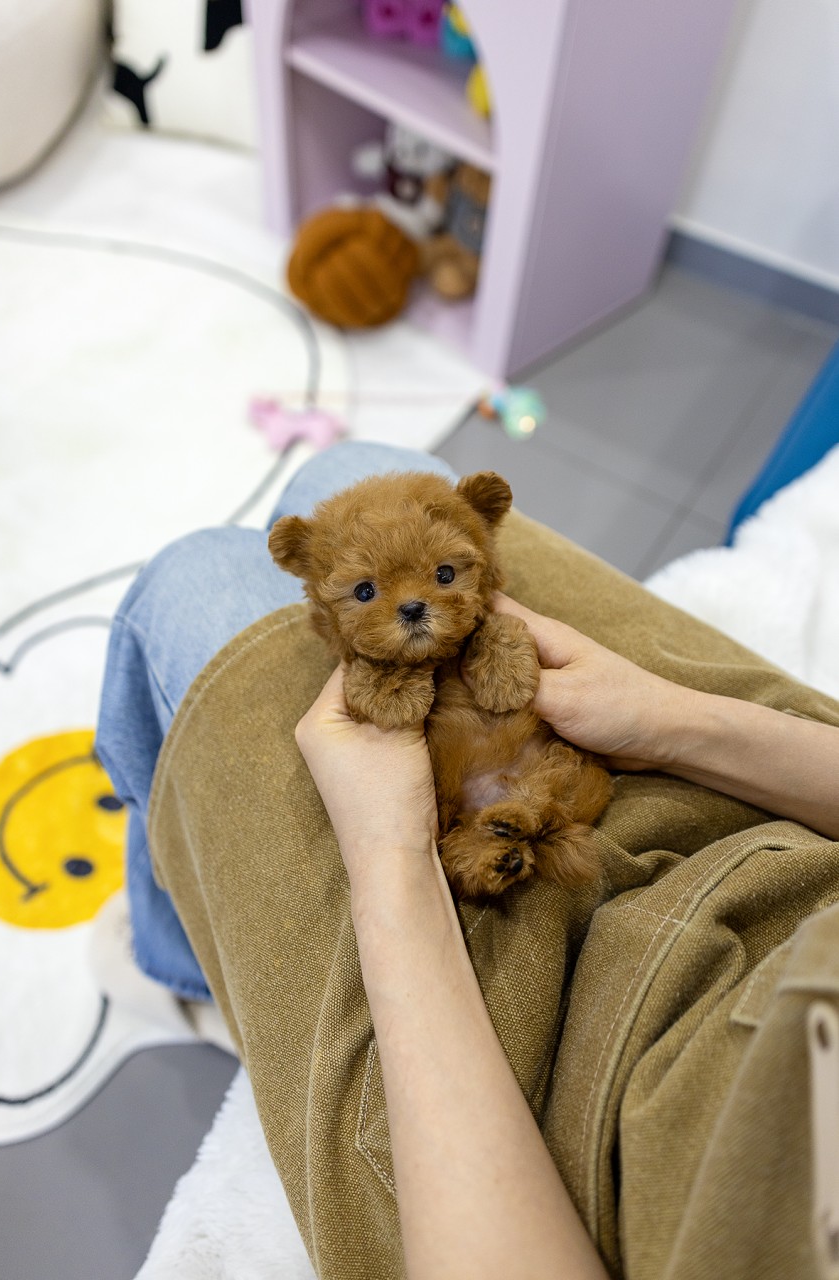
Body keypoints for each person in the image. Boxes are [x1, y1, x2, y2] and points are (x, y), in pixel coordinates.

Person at [96, 441, 839, 1280]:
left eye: (444, 577)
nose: (411, 606)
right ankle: (179, 944)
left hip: (528, 1080)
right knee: (347, 472)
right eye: (371, 592)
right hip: (781, 821)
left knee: (186, 578)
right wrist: (674, 721)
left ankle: (177, 964)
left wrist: (388, 857)